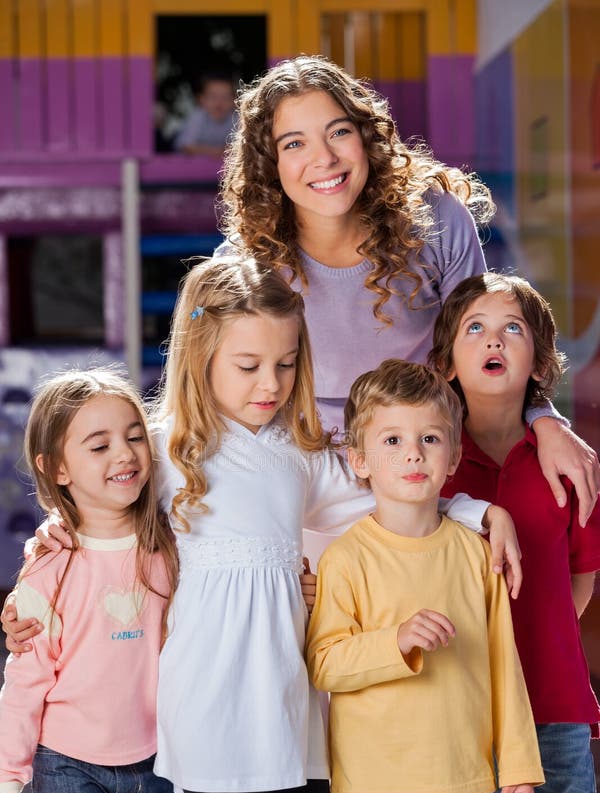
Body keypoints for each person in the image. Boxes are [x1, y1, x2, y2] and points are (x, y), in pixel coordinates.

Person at [2, 257, 522, 793]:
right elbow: (96, 512)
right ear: (202, 357)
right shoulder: (164, 449)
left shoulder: (299, 454)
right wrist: (50, 535)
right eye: (248, 366)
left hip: (288, 687)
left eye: (285, 362)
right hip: (210, 691)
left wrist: (476, 509)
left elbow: (390, 488)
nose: (270, 383)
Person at [215, 53, 600, 523]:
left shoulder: (435, 219)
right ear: (269, 163)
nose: (324, 158)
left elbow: (488, 343)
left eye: (338, 131)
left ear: (365, 137)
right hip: (302, 471)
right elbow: (217, 395)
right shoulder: (246, 262)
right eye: (294, 143)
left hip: (426, 458)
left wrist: (546, 420)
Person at [305, 358, 545, 793]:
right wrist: (397, 640)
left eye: (430, 438)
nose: (413, 453)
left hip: (463, 777)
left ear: (454, 455)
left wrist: (520, 764)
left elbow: (505, 666)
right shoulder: (346, 560)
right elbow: (325, 663)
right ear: (359, 460)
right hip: (371, 785)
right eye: (392, 440)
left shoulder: (475, 555)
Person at [429, 272, 600, 793]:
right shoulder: (432, 463)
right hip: (459, 700)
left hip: (553, 701)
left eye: (512, 330)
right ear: (447, 361)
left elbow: (581, 575)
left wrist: (540, 638)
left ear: (538, 361)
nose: (492, 340)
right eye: (473, 329)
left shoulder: (568, 464)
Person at [0, 369, 179, 793]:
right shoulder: (48, 567)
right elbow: (24, 682)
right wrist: (8, 782)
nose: (123, 455)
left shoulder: (172, 547)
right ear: (56, 468)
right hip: (67, 769)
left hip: (153, 762)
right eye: (98, 446)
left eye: (133, 437)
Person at [174, 72, 236, 156]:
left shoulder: (236, 119)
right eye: (213, 97)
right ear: (201, 99)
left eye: (225, 97)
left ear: (234, 100)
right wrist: (217, 152)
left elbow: (241, 147)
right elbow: (187, 146)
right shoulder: (197, 117)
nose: (219, 103)